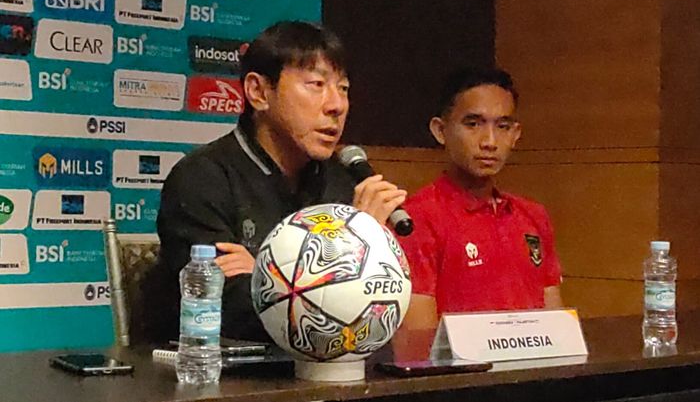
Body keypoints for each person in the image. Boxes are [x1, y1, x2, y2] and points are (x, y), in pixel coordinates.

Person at [143, 21, 407, 343]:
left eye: (343, 88)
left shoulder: (343, 180)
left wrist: (263, 274)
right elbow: (229, 310)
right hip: (224, 379)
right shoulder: (202, 178)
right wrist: (354, 240)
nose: (336, 105)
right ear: (258, 92)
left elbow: (377, 310)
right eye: (316, 84)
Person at [397, 67, 563, 337]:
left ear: (516, 134)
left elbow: (555, 329)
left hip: (536, 374)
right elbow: (419, 344)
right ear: (440, 130)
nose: (489, 141)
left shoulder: (533, 216)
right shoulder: (414, 219)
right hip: (462, 378)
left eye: (503, 126)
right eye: (473, 124)